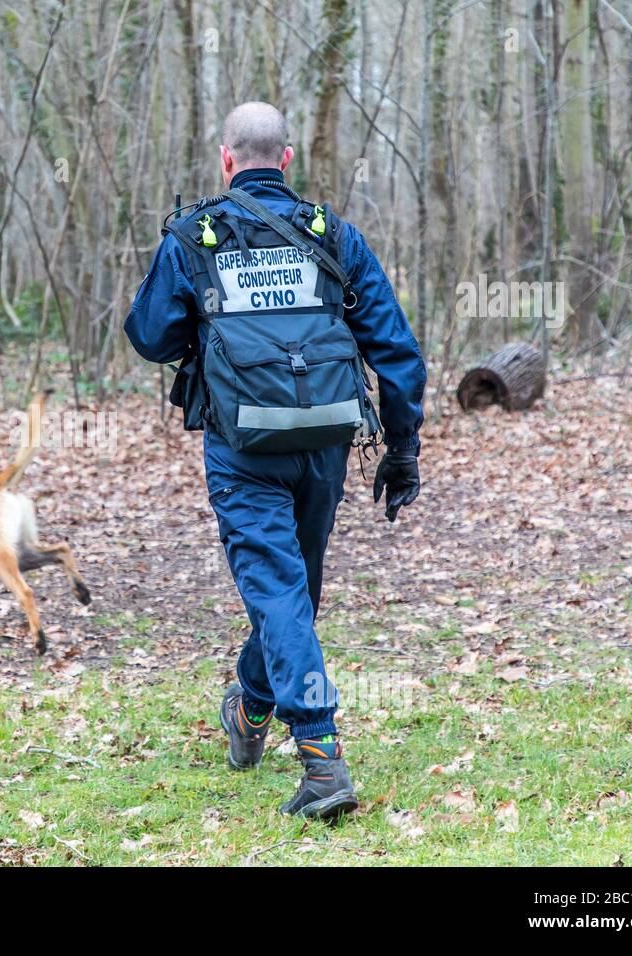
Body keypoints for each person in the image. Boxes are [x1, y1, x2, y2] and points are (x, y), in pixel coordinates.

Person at [123, 101, 426, 819]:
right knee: (292, 594)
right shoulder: (334, 238)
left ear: (226, 160)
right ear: (285, 160)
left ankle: (321, 759)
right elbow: (397, 354)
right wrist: (402, 448)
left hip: (242, 447)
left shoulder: (196, 237)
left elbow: (150, 337)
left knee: (280, 594)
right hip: (323, 445)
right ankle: (251, 708)